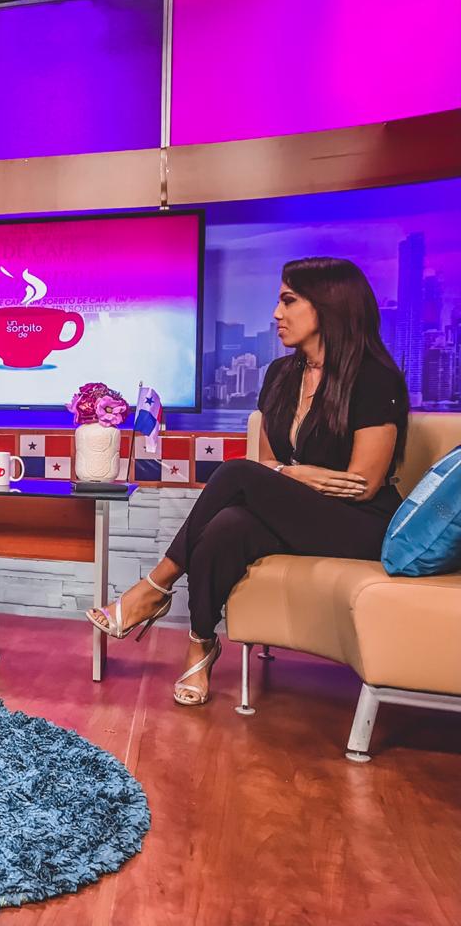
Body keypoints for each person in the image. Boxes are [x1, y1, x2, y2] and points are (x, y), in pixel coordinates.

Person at [88, 257, 408, 705]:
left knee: (236, 472)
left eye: (288, 301)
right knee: (227, 526)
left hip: (361, 524)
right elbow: (270, 465)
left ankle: (155, 587)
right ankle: (201, 642)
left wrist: (287, 475)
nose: (276, 313)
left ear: (328, 305)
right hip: (302, 514)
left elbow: (362, 484)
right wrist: (294, 474)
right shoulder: (280, 376)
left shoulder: (373, 377)